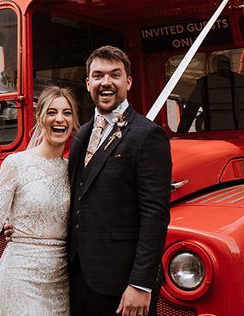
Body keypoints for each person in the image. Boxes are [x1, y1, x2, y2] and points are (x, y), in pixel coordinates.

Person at [68, 45, 172, 316]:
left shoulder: (148, 135)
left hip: (124, 286)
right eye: (98, 75)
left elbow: (155, 214)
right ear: (88, 82)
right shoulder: (82, 135)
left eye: (115, 75)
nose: (106, 82)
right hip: (78, 280)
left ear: (128, 82)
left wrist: (141, 283)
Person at [0, 85, 79, 316]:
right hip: (20, 279)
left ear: (74, 120)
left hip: (60, 284)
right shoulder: (16, 164)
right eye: (52, 112)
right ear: (39, 117)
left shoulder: (74, 171)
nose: (59, 119)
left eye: (67, 113)